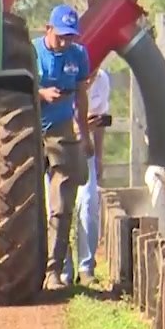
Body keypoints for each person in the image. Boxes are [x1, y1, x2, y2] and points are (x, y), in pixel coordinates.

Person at [35, 4, 95, 291]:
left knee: (61, 205)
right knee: (30, 205)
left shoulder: (79, 55)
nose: (65, 41)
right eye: (61, 36)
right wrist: (41, 93)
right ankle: (29, 268)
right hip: (30, 130)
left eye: (70, 36)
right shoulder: (31, 52)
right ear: (49, 29)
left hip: (61, 132)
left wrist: (84, 134)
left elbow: (81, 96)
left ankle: (54, 270)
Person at [62, 66, 111, 285]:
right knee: (58, 207)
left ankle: (86, 267)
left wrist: (99, 156)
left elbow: (99, 124)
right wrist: (77, 127)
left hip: (85, 148)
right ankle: (63, 269)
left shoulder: (102, 80)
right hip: (59, 148)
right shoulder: (62, 76)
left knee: (89, 202)